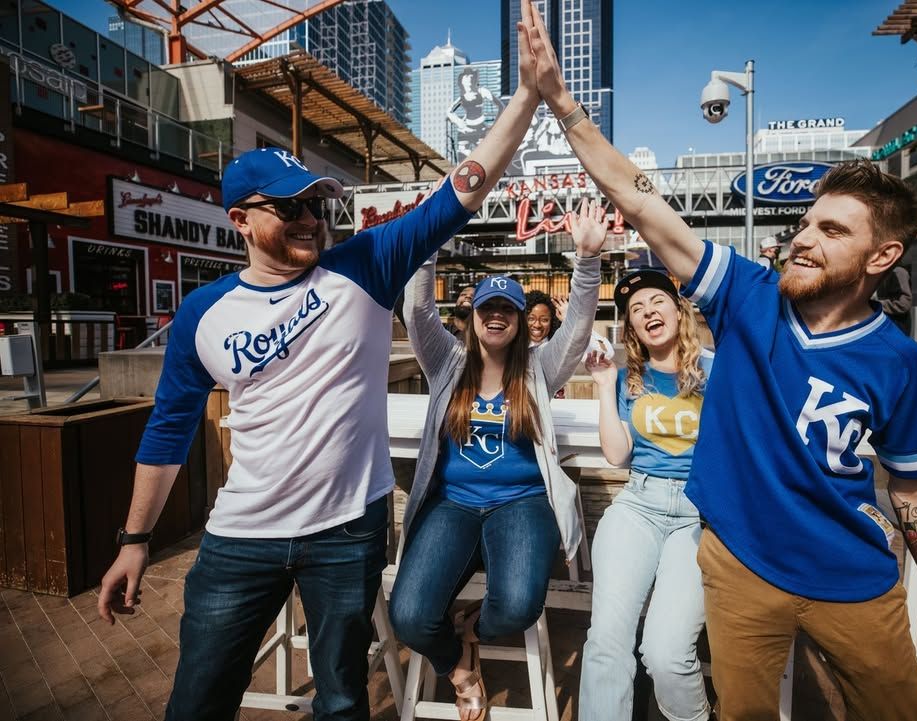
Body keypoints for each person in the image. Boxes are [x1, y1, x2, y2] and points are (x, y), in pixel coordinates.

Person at [520, 7, 917, 720]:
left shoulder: (898, 361)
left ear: (882, 257)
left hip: (853, 577)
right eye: (804, 224)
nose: (803, 239)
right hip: (738, 568)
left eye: (831, 230)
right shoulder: (746, 295)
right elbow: (642, 204)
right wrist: (560, 101)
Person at [96, 5, 547, 718]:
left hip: (346, 532)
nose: (310, 217)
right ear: (240, 218)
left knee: (341, 699)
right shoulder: (201, 315)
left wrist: (526, 95)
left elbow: (463, 188)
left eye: (317, 203)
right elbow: (167, 433)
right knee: (197, 698)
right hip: (240, 536)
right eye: (290, 207)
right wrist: (136, 539)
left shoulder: (364, 264)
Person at [389, 197, 605, 721]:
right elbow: (417, 310)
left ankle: (472, 630)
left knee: (517, 606)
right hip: (453, 502)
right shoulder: (445, 362)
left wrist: (588, 260)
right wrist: (428, 245)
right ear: (473, 316)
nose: (496, 317)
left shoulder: (539, 370)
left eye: (506, 310)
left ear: (517, 320)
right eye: (487, 308)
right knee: (411, 616)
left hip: (522, 502)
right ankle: (459, 664)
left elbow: (576, 325)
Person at [579, 269, 712, 721]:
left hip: (699, 516)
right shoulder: (628, 379)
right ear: (632, 328)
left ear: (678, 309)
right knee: (605, 642)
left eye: (656, 301)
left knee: (666, 654)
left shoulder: (718, 370)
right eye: (635, 309)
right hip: (638, 504)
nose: (647, 311)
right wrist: (602, 384)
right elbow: (617, 456)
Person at [448, 67, 504, 158]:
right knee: (463, 157)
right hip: (465, 130)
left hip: (480, 129)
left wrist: (494, 125)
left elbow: (500, 106)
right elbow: (449, 111)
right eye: (466, 79)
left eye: (471, 79)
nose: (468, 82)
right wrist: (459, 122)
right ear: (462, 82)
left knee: (484, 156)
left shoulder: (482, 92)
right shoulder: (461, 97)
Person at [877, 265, 913, 336]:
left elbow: (904, 304)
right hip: (886, 328)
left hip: (897, 328)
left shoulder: (897, 272)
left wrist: (876, 304)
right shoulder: (883, 273)